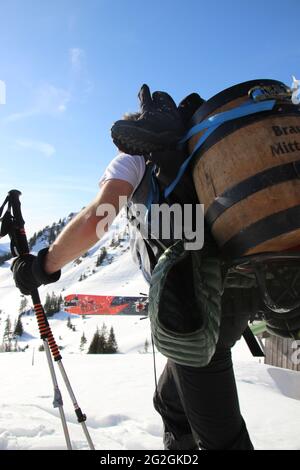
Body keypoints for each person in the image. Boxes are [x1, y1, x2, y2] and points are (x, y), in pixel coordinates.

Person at [12, 84, 254, 450]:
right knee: (170, 403)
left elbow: (99, 217)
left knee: (222, 440)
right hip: (242, 284)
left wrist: (42, 267)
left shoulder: (136, 155)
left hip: (196, 303)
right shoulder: (203, 152)